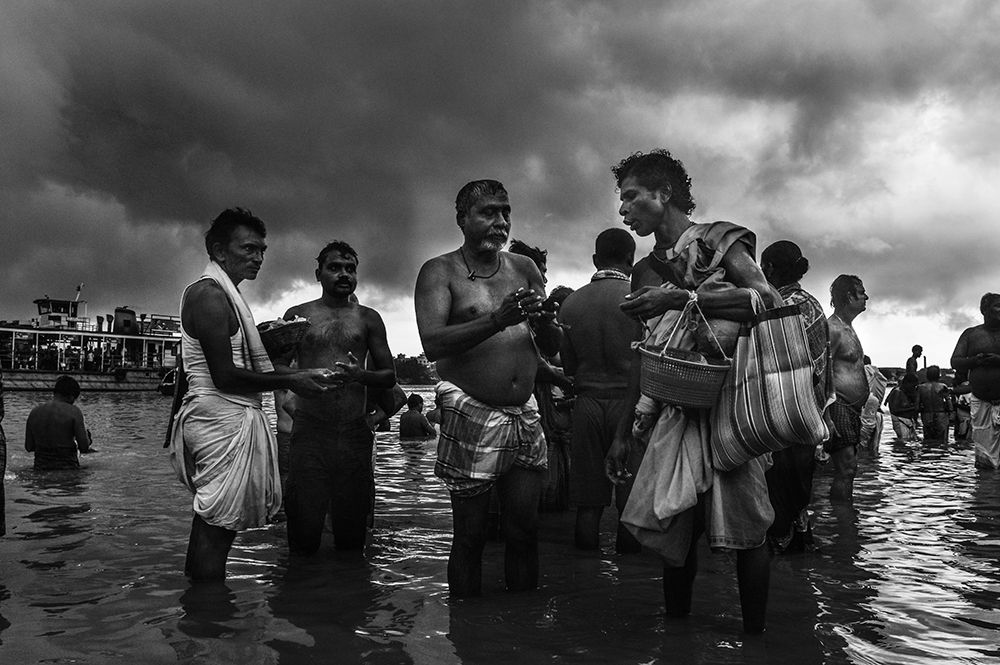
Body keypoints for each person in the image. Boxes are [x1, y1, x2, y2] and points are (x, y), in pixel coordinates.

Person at [604, 149, 780, 633]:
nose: (624, 210)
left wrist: (681, 296)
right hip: (673, 407)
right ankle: (677, 639)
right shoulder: (648, 267)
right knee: (674, 530)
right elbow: (645, 353)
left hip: (728, 407)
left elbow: (766, 299)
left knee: (748, 530)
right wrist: (624, 432)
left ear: (664, 194)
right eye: (622, 200)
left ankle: (756, 642)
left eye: (632, 197)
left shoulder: (718, 241)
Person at [167, 207, 335, 581]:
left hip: (221, 418)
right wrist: (292, 379)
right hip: (220, 419)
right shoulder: (210, 296)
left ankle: (199, 612)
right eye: (248, 249)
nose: (258, 257)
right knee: (217, 527)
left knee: (211, 523)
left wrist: (287, 365)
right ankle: (208, 619)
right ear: (219, 250)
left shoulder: (224, 297)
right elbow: (225, 377)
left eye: (262, 249)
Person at [414, 179, 561, 596]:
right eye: (489, 212)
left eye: (506, 212)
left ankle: (521, 631)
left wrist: (547, 322)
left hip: (524, 413)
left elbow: (550, 344)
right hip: (472, 411)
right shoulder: (439, 271)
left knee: (525, 531)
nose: (501, 221)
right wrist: (497, 319)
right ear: (463, 219)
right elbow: (432, 343)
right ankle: (468, 638)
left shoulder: (524, 268)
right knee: (471, 536)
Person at [279, 240, 397, 555]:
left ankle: (350, 598)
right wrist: (299, 380)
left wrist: (360, 376)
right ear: (318, 274)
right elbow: (275, 367)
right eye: (335, 267)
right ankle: (303, 596)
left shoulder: (369, 318)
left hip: (354, 433)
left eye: (350, 269)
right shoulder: (297, 316)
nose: (343, 274)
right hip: (309, 432)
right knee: (303, 533)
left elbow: (389, 376)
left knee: (351, 536)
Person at [558, 228, 642, 551]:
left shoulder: (570, 305)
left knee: (588, 506)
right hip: (629, 408)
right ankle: (627, 586)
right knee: (630, 505)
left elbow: (567, 369)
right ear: (631, 261)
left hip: (587, 404)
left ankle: (585, 581)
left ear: (595, 260)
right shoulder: (638, 301)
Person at [759, 240, 831, 553]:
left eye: (763, 266)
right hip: (808, 414)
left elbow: (769, 363)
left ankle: (782, 557)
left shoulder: (774, 305)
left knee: (777, 490)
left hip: (781, 414)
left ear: (770, 268)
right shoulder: (812, 304)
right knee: (799, 490)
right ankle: (801, 566)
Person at [826, 274, 870, 502]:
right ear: (849, 296)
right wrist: (827, 416)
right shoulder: (832, 328)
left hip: (852, 408)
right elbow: (820, 371)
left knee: (849, 470)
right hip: (839, 405)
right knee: (847, 469)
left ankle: (844, 521)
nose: (866, 297)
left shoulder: (848, 328)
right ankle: (843, 525)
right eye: (861, 293)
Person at [952, 293, 1000, 468]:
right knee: (983, 460)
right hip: (980, 401)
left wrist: (997, 360)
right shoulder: (971, 334)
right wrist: (975, 360)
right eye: (997, 306)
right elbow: (955, 361)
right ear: (984, 310)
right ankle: (985, 492)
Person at [25, 375, 94, 470]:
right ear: (71, 397)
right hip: (68, 468)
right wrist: (88, 439)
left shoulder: (34, 412)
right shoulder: (74, 412)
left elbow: (29, 447)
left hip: (40, 468)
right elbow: (84, 447)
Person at [914, 365, 951, 442]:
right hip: (941, 416)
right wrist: (951, 414)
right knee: (942, 441)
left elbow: (917, 406)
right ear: (938, 375)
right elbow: (949, 403)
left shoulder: (920, 388)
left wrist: (915, 418)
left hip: (927, 416)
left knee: (928, 441)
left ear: (927, 375)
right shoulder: (943, 386)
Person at [859, 356, 888, 453]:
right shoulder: (878, 376)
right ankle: (873, 467)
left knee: (861, 449)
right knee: (874, 449)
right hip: (877, 415)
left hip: (865, 414)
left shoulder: (863, 373)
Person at [886, 373, 921, 442]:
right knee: (903, 443)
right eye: (913, 386)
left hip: (906, 422)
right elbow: (895, 410)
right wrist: (914, 408)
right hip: (900, 422)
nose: (913, 388)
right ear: (907, 383)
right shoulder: (897, 392)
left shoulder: (905, 392)